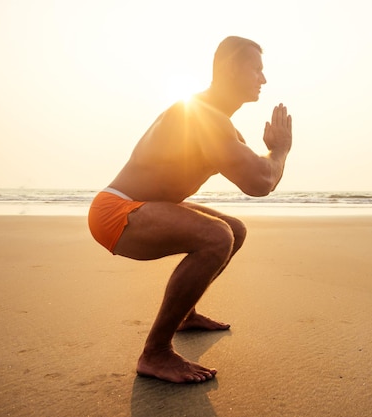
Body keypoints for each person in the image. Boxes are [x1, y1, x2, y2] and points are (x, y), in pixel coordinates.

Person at [87, 36, 292, 384]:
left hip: (148, 207)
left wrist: (273, 155)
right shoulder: (202, 117)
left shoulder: (217, 121)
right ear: (229, 69)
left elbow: (260, 177)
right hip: (115, 212)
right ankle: (155, 352)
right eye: (256, 69)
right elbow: (260, 182)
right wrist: (281, 151)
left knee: (234, 231)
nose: (264, 79)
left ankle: (186, 315)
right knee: (216, 236)